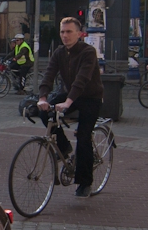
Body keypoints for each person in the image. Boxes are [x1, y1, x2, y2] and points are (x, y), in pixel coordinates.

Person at [37, 16, 103, 199]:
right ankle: (64, 146)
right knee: (44, 113)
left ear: (79, 34)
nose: (65, 35)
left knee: (83, 137)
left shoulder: (88, 52)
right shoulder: (59, 52)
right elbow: (49, 75)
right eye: (62, 32)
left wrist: (68, 102)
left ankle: (84, 182)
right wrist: (42, 98)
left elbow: (82, 78)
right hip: (71, 95)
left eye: (69, 32)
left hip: (90, 97)